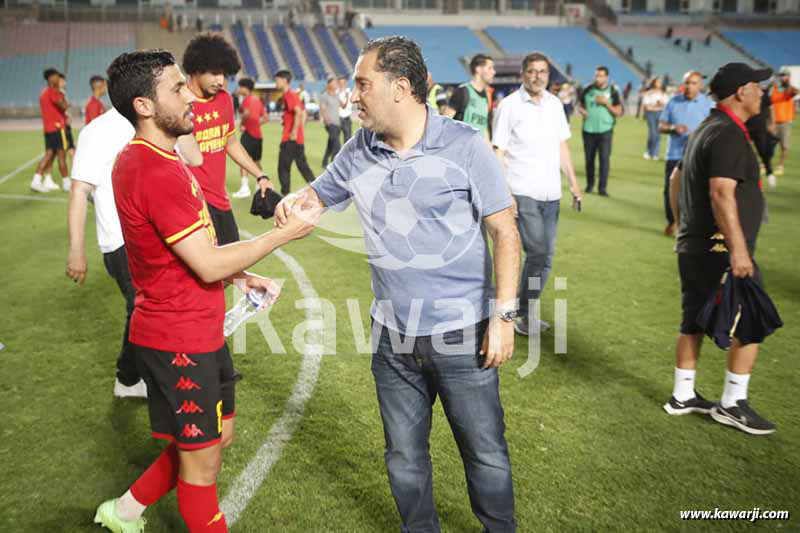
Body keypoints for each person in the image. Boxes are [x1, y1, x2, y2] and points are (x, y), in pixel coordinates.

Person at [275, 36, 520, 532]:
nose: (353, 96)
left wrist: (504, 316)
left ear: (401, 87)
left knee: (486, 453)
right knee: (404, 458)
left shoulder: (465, 145)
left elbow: (505, 231)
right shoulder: (357, 149)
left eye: (363, 85)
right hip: (392, 337)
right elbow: (317, 197)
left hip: (464, 335)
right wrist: (294, 200)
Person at [93, 49, 319, 533]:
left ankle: (126, 510)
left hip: (201, 327)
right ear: (144, 106)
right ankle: (130, 512)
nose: (189, 95)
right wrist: (281, 235)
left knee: (218, 439)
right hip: (175, 338)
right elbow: (207, 260)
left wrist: (243, 276)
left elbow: (194, 250)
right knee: (205, 465)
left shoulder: (163, 159)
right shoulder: (150, 168)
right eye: (176, 89)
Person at [666, 62, 776, 436]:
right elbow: (720, 192)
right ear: (741, 92)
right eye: (757, 86)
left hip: (696, 245)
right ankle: (732, 403)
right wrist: (739, 249)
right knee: (753, 319)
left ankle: (682, 396)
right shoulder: (728, 133)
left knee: (693, 318)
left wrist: (683, 225)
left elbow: (675, 177)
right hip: (722, 250)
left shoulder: (706, 127)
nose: (763, 92)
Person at [66, 105, 202, 399]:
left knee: (155, 308)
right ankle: (131, 378)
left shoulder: (163, 121)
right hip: (122, 240)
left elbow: (195, 157)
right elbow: (79, 190)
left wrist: (183, 118)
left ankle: (135, 376)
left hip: (166, 236)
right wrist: (77, 250)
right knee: (143, 308)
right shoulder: (98, 130)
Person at [493, 52, 582, 336]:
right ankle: (519, 313)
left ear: (548, 75)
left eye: (542, 71)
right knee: (538, 252)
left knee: (545, 257)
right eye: (532, 71)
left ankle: (524, 311)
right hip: (523, 190)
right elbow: (498, 150)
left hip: (551, 193)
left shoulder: (555, 104)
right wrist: (506, 192)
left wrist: (573, 183)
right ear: (523, 74)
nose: (537, 76)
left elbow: (562, 146)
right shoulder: (509, 106)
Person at [182, 33, 274, 245]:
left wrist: (260, 176)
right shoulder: (178, 104)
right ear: (196, 69)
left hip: (221, 200)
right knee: (206, 272)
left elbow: (231, 143)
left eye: (224, 74)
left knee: (231, 268)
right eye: (214, 73)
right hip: (193, 204)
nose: (221, 81)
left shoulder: (224, 99)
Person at [659, 71, 714, 236]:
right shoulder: (673, 102)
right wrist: (673, 128)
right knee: (670, 190)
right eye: (688, 83)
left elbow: (715, 130)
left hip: (698, 156)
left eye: (694, 83)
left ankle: (694, 226)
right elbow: (661, 126)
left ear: (701, 85)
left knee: (698, 192)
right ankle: (673, 222)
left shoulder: (708, 105)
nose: (690, 86)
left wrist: (698, 137)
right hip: (675, 155)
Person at [577, 66, 623, 196]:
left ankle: (602, 188)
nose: (597, 78)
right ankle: (590, 185)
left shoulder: (613, 91)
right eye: (596, 75)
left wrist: (606, 103)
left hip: (605, 130)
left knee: (604, 159)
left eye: (601, 76)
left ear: (607, 77)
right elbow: (580, 105)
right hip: (588, 130)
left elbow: (619, 112)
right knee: (589, 160)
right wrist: (582, 111)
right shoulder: (588, 90)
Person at [275, 69, 316, 196]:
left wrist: (293, 131)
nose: (275, 82)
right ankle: (317, 190)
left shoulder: (289, 95)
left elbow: (298, 112)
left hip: (290, 138)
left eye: (277, 80)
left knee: (283, 168)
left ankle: (285, 195)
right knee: (302, 166)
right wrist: (299, 130)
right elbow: (303, 113)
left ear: (284, 81)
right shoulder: (293, 95)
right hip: (297, 138)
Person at [31, 68, 70, 193]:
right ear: (50, 78)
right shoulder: (53, 92)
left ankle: (37, 180)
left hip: (49, 128)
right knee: (61, 155)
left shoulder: (44, 92)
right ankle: (66, 182)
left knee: (49, 155)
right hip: (57, 127)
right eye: (56, 76)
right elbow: (63, 106)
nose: (58, 79)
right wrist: (62, 94)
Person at [444, 53, 495, 142]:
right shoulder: (462, 91)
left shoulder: (486, 97)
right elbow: (444, 122)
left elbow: (485, 129)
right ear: (478, 69)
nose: (494, 72)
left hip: (477, 152)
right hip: (461, 151)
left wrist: (490, 153)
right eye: (490, 68)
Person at [232, 77, 269, 198]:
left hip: (248, 134)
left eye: (240, 86)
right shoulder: (257, 100)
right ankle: (260, 183)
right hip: (258, 135)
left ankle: (244, 188)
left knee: (243, 160)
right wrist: (255, 124)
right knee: (257, 161)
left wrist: (242, 123)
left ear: (244, 88)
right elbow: (266, 118)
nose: (239, 89)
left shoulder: (246, 100)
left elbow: (246, 113)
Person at [746, 83, 778, 187]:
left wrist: (772, 123)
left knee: (763, 152)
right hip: (746, 127)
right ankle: (745, 177)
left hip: (760, 128)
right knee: (743, 152)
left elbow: (771, 108)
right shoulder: (747, 93)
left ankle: (769, 173)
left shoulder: (764, 94)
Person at [770, 68, 798, 176]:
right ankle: (766, 163)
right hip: (773, 121)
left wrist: (788, 84)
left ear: (788, 77)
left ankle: (780, 166)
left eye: (784, 75)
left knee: (784, 146)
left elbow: (796, 92)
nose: (782, 77)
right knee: (769, 145)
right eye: (781, 75)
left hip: (785, 122)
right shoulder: (775, 89)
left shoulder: (789, 90)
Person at [642, 77, 668, 160]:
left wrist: (657, 106)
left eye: (660, 82)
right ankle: (649, 152)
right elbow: (646, 107)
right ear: (653, 83)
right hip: (651, 114)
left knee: (658, 134)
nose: (658, 84)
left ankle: (655, 153)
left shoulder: (664, 94)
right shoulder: (649, 93)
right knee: (652, 133)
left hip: (661, 115)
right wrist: (658, 106)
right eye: (657, 82)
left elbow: (666, 106)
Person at [320, 77, 342, 168]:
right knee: (337, 144)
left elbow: (343, 105)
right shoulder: (325, 95)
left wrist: (347, 97)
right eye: (334, 83)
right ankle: (334, 164)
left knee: (331, 144)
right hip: (330, 123)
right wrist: (326, 119)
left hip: (337, 123)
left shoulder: (336, 95)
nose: (336, 85)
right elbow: (322, 109)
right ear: (329, 85)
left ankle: (324, 162)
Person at [337, 75, 353, 142]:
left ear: (345, 83)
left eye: (343, 83)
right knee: (334, 140)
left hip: (346, 118)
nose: (342, 85)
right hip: (337, 118)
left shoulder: (350, 93)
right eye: (340, 83)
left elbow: (347, 106)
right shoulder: (335, 93)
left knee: (347, 140)